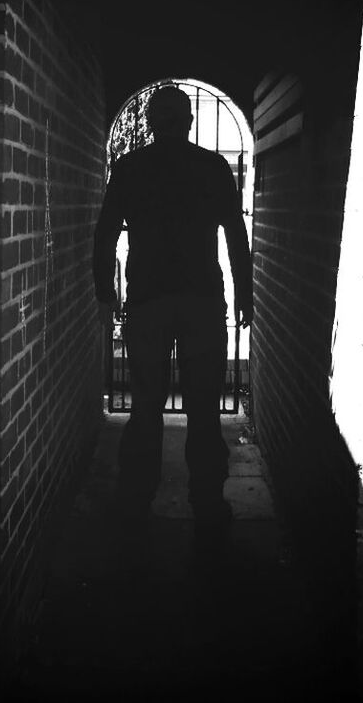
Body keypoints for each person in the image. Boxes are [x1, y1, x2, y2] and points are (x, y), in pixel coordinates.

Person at [92, 83, 253, 529]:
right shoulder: (213, 167)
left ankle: (136, 498)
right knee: (203, 406)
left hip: (148, 301)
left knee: (145, 405)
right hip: (202, 298)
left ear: (149, 123)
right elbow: (235, 235)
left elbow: (106, 233)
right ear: (189, 121)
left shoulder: (130, 168)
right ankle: (207, 500)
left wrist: (106, 292)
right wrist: (245, 293)